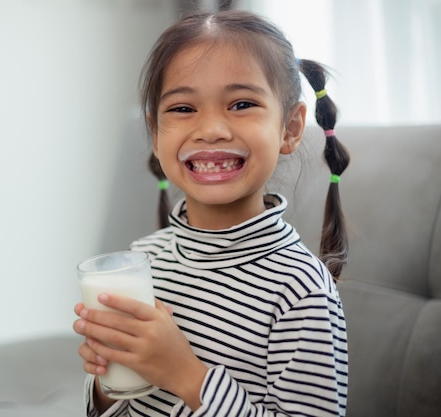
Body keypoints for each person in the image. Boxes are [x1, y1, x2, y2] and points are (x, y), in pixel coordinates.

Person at [73, 9, 350, 417]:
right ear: (155, 133)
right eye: (183, 109)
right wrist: (109, 381)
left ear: (290, 128)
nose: (211, 129)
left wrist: (186, 375)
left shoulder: (300, 289)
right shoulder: (144, 259)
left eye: (241, 103)